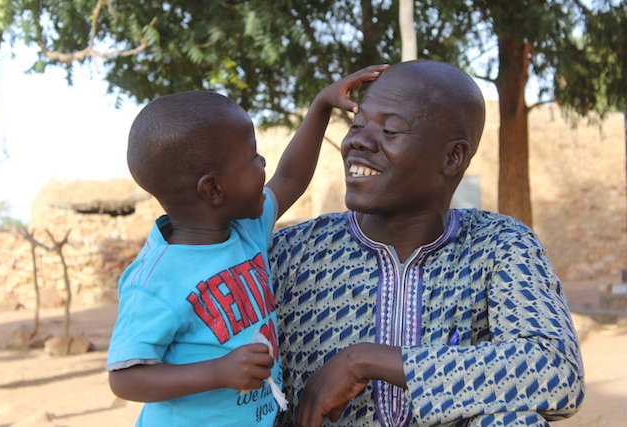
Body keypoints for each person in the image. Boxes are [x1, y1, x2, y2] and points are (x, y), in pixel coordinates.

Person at [269, 60, 585, 427]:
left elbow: (557, 372)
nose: (357, 140)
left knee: (513, 420)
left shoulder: (498, 245)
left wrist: (364, 361)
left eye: (389, 130)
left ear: (453, 157)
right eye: (356, 125)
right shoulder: (291, 253)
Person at [106, 64, 389, 427]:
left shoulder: (245, 229)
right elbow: (125, 377)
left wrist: (321, 106)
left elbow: (290, 177)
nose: (264, 163)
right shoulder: (156, 279)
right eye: (254, 158)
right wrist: (218, 372)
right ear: (213, 189)